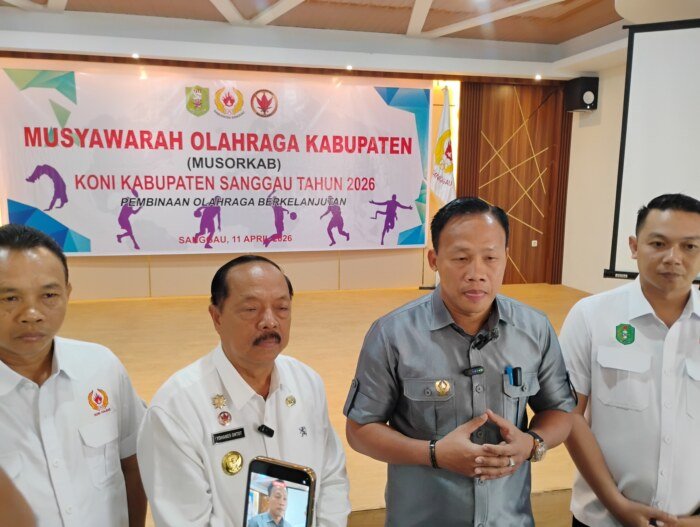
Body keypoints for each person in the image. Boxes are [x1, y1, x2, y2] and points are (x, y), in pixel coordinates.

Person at [344, 197, 576, 526]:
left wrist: (532, 444)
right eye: (461, 258)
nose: (476, 273)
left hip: (509, 519)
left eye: (490, 258)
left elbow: (560, 411)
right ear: (434, 260)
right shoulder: (392, 334)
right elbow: (360, 430)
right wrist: (434, 454)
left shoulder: (534, 329)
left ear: (505, 257)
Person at [138, 255, 350, 526]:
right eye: (251, 309)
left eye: (282, 308)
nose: (269, 322)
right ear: (216, 317)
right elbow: (185, 519)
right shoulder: (176, 408)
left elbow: (331, 477)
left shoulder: (307, 382)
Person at [561, 193, 700, 527]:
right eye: (659, 244)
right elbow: (569, 415)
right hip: (603, 518)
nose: (673, 258)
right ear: (634, 247)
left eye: (689, 246)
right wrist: (617, 504)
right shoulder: (591, 316)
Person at [0, 224, 147, 526]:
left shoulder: (101, 366)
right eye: (10, 298)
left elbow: (132, 463)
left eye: (49, 294)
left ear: (67, 293)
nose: (32, 314)